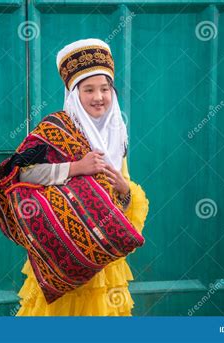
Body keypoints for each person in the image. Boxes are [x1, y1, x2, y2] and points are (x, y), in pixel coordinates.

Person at [12, 38, 150, 316]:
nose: (98, 97)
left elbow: (120, 191)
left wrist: (125, 190)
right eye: (89, 89)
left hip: (103, 256)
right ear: (74, 93)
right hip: (63, 253)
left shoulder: (117, 133)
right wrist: (75, 168)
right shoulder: (56, 128)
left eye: (105, 88)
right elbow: (24, 171)